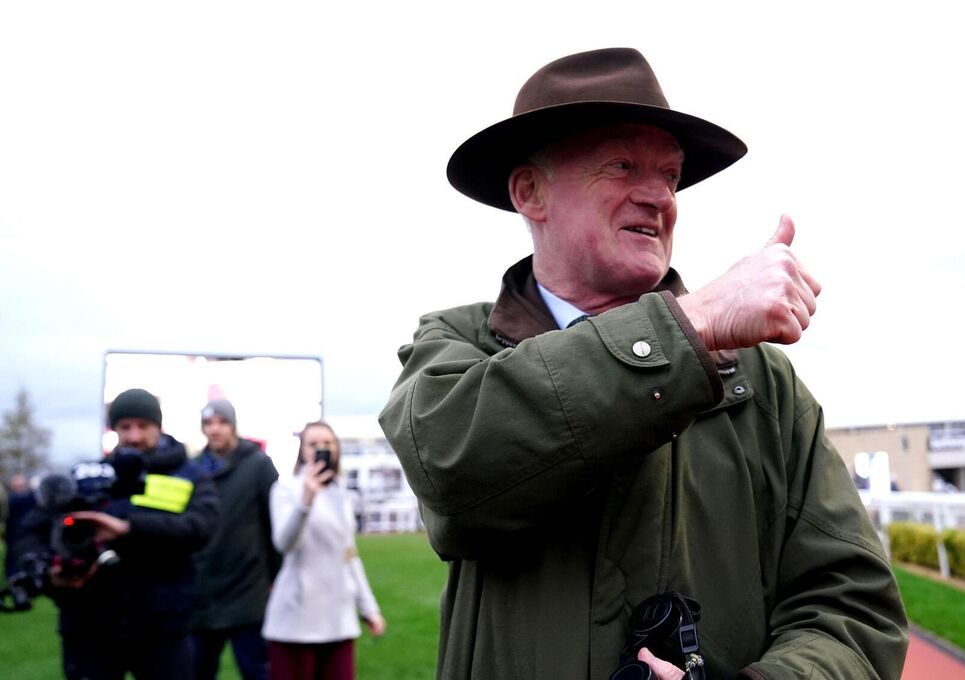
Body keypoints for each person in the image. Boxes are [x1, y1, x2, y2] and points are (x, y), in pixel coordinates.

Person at [379, 48, 907, 679]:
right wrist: (692, 327)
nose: (659, 196)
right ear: (530, 192)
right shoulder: (458, 344)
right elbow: (454, 475)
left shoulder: (764, 383)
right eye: (623, 165)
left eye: (671, 175)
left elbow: (854, 607)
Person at [28, 388, 219, 679]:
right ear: (114, 429)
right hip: (93, 623)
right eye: (124, 427)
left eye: (143, 426)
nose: (134, 436)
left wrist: (128, 528)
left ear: (159, 426)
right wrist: (56, 568)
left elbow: (201, 527)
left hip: (163, 624)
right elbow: (42, 529)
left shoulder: (190, 475)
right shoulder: (90, 476)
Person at [263, 421, 385, 680]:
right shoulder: (285, 489)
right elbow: (284, 543)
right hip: (295, 619)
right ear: (302, 451)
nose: (321, 448)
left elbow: (349, 554)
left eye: (327, 443)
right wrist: (305, 501)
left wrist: (368, 608)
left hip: (338, 619)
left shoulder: (342, 494)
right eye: (313, 444)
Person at [192, 399, 280, 680]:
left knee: (257, 672)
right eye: (208, 423)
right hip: (201, 594)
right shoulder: (192, 470)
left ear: (233, 425)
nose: (215, 429)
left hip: (248, 593)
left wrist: (275, 577)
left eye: (221, 422)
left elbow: (275, 525)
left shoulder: (258, 465)